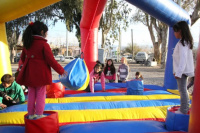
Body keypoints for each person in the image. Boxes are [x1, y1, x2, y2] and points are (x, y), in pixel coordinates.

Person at [16, 21, 67, 119]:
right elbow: (51, 60)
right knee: (40, 94)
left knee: (31, 94)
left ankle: (31, 114)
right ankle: (39, 114)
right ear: (42, 32)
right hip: (41, 74)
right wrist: (61, 70)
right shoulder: (43, 45)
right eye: (46, 33)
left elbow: (22, 58)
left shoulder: (27, 43)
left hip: (29, 73)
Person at [172, 21, 194, 114]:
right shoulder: (184, 42)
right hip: (182, 71)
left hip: (183, 71)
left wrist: (179, 73)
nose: (174, 33)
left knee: (182, 90)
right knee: (182, 90)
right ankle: (183, 108)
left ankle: (184, 109)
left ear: (180, 31)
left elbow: (183, 60)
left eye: (175, 31)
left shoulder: (183, 43)